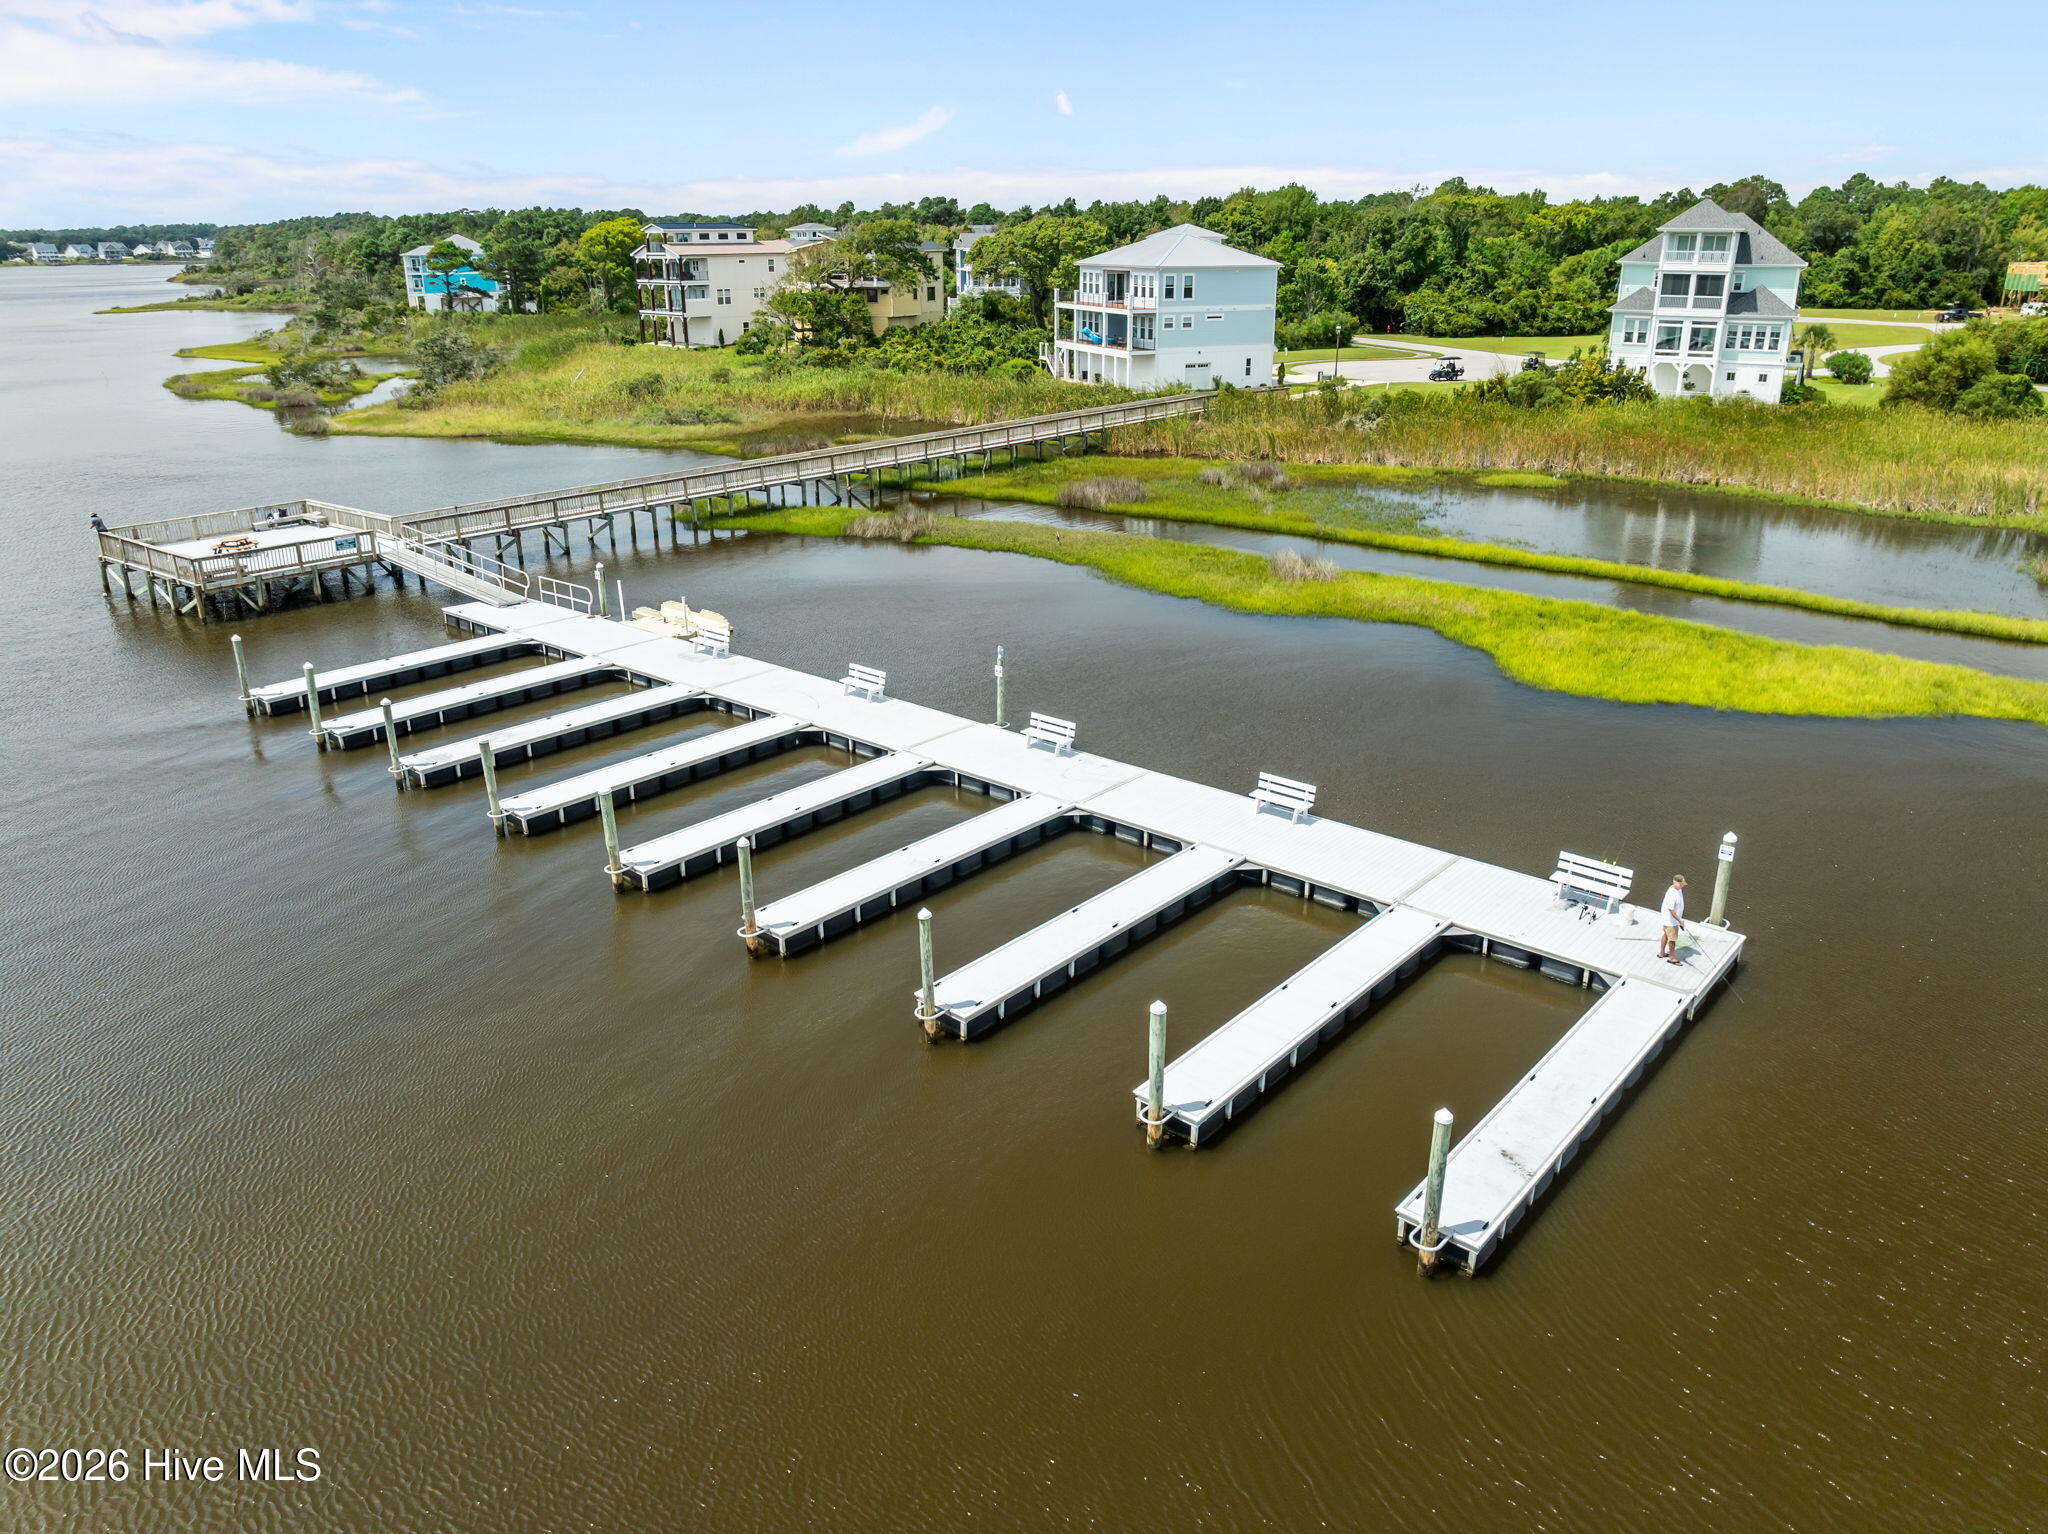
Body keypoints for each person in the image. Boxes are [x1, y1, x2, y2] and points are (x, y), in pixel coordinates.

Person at [1657, 875, 1688, 964]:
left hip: (1671, 920)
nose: (1682, 886)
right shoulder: (1672, 894)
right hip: (1670, 921)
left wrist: (1679, 919)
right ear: (1675, 882)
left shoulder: (1678, 889)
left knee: (1666, 935)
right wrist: (1680, 921)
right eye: (1681, 884)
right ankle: (1672, 958)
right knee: (1672, 939)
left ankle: (1662, 953)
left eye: (1683, 884)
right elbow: (1672, 911)